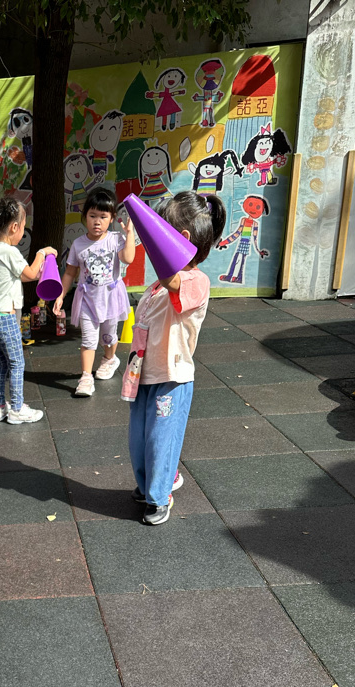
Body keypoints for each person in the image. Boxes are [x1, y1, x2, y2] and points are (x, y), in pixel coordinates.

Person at [125, 190, 226, 525]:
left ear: (180, 239)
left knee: (160, 440)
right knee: (139, 439)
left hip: (172, 377)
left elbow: (173, 279)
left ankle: (160, 494)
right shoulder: (158, 285)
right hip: (144, 375)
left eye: (161, 234)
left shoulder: (195, 282)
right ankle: (148, 486)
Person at [53, 189, 135, 397]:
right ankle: (86, 378)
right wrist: (61, 295)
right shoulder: (78, 244)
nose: (97, 221)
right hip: (87, 300)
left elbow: (128, 258)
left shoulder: (115, 239)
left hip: (111, 298)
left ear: (112, 218)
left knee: (108, 337)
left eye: (103, 217)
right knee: (88, 340)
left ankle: (109, 358)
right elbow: (70, 272)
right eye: (92, 216)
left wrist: (129, 234)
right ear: (85, 216)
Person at [0, 196, 57, 424]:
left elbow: (23, 276)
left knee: (2, 363)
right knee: (17, 363)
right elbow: (32, 273)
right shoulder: (9, 251)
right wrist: (42, 253)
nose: (22, 232)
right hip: (5, 319)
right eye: (23, 227)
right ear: (14, 227)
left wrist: (37, 269)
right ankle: (16, 409)